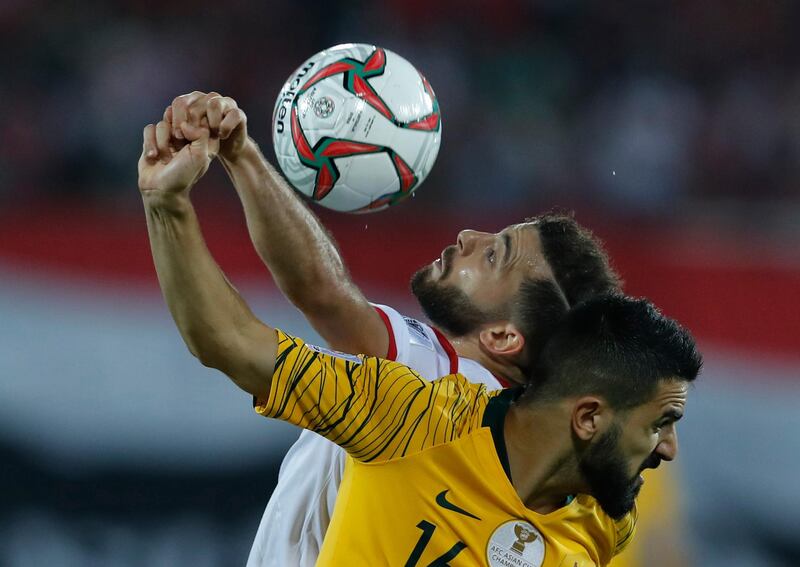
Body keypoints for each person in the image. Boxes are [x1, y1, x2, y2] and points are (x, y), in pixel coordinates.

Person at [137, 120, 701, 564]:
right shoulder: (434, 400)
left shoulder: (429, 393)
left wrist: (237, 160)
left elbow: (321, 294)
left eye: (495, 254)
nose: (468, 235)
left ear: (506, 336)